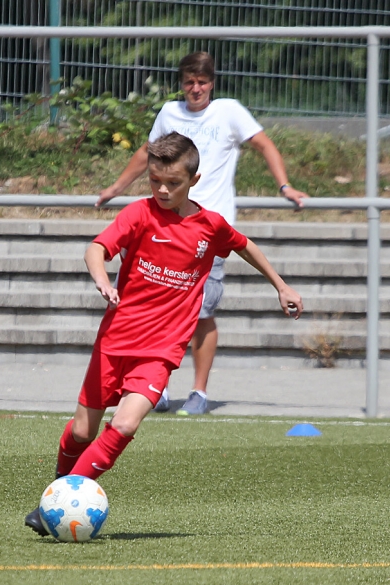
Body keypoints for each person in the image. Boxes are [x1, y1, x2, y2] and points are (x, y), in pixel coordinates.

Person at [25, 131, 303, 535]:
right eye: (155, 180)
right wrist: (102, 278)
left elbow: (244, 245)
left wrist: (281, 285)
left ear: (194, 179)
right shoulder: (139, 214)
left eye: (173, 182)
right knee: (82, 431)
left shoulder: (210, 226)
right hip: (115, 341)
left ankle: (53, 504)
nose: (162, 190)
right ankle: (57, 490)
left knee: (124, 425)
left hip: (160, 350)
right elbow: (96, 249)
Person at [97, 51, 308, 416]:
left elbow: (264, 144)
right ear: (181, 84)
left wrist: (284, 186)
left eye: (202, 82)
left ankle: (199, 391)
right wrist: (116, 188)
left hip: (205, 235)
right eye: (189, 82)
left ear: (212, 83)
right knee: (151, 310)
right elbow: (147, 154)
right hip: (163, 228)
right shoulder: (170, 113)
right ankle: (154, 385)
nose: (195, 89)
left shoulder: (228, 111)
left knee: (200, 313)